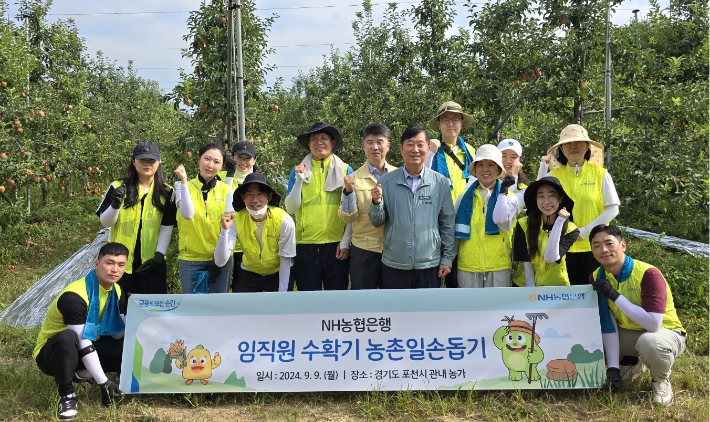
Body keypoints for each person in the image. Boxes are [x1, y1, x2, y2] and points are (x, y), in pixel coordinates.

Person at [590, 225, 687, 405]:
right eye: (596, 245)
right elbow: (606, 319)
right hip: (629, 332)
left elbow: (653, 325)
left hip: (666, 333)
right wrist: (612, 368)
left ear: (623, 246)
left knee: (649, 342)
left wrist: (614, 295)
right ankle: (629, 363)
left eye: (609, 243)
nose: (603, 249)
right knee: (588, 335)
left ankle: (660, 379)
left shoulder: (648, 274)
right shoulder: (597, 276)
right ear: (592, 251)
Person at [34, 242, 128, 420]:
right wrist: (104, 383)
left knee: (132, 342)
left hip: (86, 348)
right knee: (67, 338)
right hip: (53, 354)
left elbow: (119, 334)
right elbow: (82, 340)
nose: (114, 269)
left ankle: (89, 374)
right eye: (109, 263)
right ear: (97, 264)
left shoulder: (116, 290)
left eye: (120, 265)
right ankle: (67, 396)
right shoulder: (74, 296)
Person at [369, 126, 455, 289]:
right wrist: (376, 203)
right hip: (394, 263)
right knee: (395, 312)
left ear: (428, 148)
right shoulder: (386, 181)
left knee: (426, 313)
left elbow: (448, 224)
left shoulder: (440, 183)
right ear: (401, 148)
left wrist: (447, 259)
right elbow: (376, 221)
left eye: (420, 144)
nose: (415, 149)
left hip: (429, 264)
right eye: (410, 144)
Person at [538, 124, 620, 285]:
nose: (573, 147)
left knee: (594, 296)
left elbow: (613, 209)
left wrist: (585, 231)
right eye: (568, 143)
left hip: (595, 248)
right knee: (564, 297)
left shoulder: (601, 175)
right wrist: (542, 168)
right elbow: (539, 202)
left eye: (578, 142)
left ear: (587, 146)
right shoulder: (554, 176)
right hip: (560, 247)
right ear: (561, 149)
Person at [96, 142, 176, 296]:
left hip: (152, 262)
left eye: (152, 160)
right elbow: (106, 222)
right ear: (133, 161)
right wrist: (115, 205)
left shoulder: (167, 191)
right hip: (119, 264)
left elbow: (167, 226)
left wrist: (159, 256)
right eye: (142, 160)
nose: (147, 164)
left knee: (152, 311)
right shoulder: (118, 186)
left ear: (159, 162)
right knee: (120, 310)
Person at [285, 122, 353, 291]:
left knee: (337, 299)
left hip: (336, 245)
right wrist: (299, 181)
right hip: (306, 245)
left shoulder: (345, 170)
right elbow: (291, 209)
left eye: (324, 138)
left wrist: (345, 241)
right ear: (308, 145)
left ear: (333, 143)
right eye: (314, 139)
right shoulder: (298, 171)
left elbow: (353, 210)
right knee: (308, 299)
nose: (319, 142)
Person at [338, 123, 397, 289]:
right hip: (363, 250)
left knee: (392, 303)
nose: (375, 147)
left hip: (393, 250)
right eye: (370, 142)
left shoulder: (398, 176)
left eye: (380, 142)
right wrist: (348, 191)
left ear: (388, 145)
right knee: (363, 303)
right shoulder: (352, 178)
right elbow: (348, 217)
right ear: (363, 146)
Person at [214, 173, 296, 292]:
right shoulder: (236, 220)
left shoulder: (284, 221)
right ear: (243, 198)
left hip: (278, 272)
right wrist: (224, 230)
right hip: (249, 272)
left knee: (279, 308)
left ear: (269, 196)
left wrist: (282, 291)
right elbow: (220, 261)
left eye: (260, 194)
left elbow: (286, 259)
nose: (255, 200)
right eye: (249, 194)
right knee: (241, 308)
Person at [454, 145, 518, 288]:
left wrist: (502, 194)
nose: (485, 169)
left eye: (491, 164)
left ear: (498, 169)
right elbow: (454, 233)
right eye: (480, 164)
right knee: (469, 309)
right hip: (468, 265)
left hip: (498, 265)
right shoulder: (464, 196)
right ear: (475, 169)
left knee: (499, 309)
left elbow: (504, 223)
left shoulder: (510, 197)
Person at [427, 101, 476, 288]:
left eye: (455, 119)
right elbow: (421, 176)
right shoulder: (429, 149)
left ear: (462, 124)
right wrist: (430, 153)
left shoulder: (471, 152)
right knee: (432, 276)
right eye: (445, 120)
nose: (451, 124)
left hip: (463, 223)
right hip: (435, 223)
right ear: (438, 124)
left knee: (457, 277)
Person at [174, 142, 234, 294]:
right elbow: (187, 214)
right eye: (207, 159)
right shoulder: (181, 186)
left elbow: (232, 228)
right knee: (193, 309)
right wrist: (184, 181)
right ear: (199, 160)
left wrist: (220, 260)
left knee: (218, 308)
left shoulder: (228, 191)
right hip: (190, 259)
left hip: (221, 259)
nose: (210, 165)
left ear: (221, 167)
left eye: (216, 162)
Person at [513, 176, 580, 286]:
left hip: (556, 288)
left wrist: (559, 223)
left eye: (551, 196)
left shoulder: (571, 230)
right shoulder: (523, 224)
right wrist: (531, 292)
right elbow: (526, 261)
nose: (546, 201)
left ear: (560, 199)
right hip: (524, 285)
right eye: (541, 196)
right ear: (536, 199)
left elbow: (550, 258)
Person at [218, 141, 258, 293]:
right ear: (232, 157)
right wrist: (228, 175)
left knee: (243, 294)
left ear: (254, 160)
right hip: (224, 245)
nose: (243, 162)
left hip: (248, 248)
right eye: (239, 157)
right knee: (220, 295)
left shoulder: (258, 181)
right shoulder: (220, 177)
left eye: (247, 158)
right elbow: (221, 203)